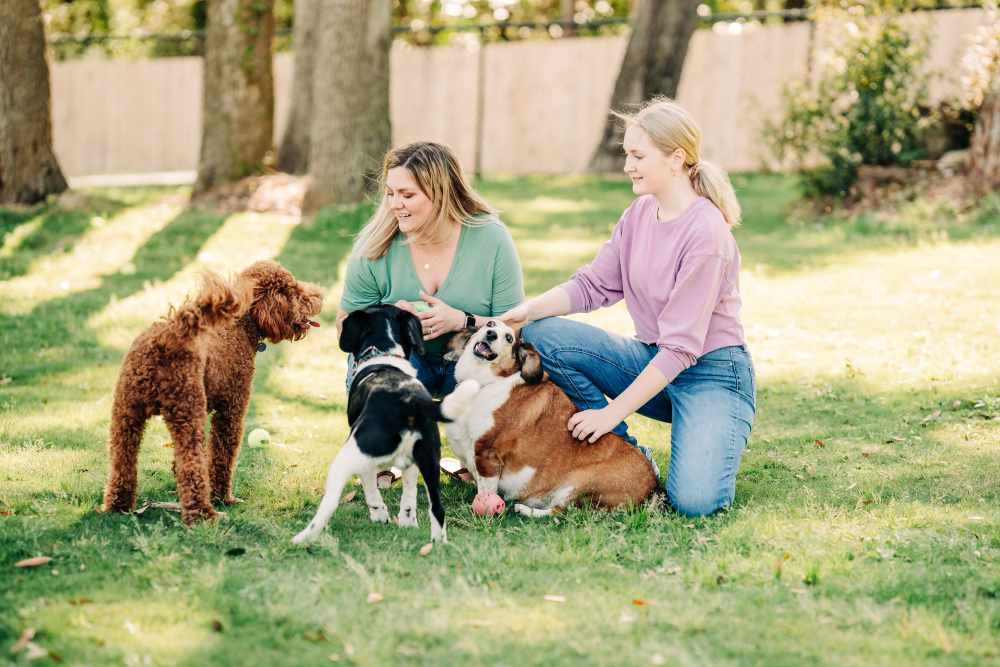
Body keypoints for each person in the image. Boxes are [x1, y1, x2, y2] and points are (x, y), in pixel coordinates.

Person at [502, 99, 756, 517]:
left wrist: (609, 412)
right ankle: (623, 455)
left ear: (676, 159)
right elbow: (594, 284)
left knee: (695, 504)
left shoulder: (706, 234)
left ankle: (711, 429)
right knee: (544, 334)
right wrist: (528, 311)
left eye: (638, 155)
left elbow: (681, 348)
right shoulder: (639, 213)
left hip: (712, 374)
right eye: (627, 154)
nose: (627, 166)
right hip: (656, 361)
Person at [340, 141, 523, 397]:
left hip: (471, 361)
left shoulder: (492, 238)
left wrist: (462, 321)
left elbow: (515, 324)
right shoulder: (373, 247)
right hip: (402, 360)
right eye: (390, 193)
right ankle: (379, 433)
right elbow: (345, 328)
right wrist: (391, 320)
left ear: (440, 194)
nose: (395, 204)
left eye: (407, 195)